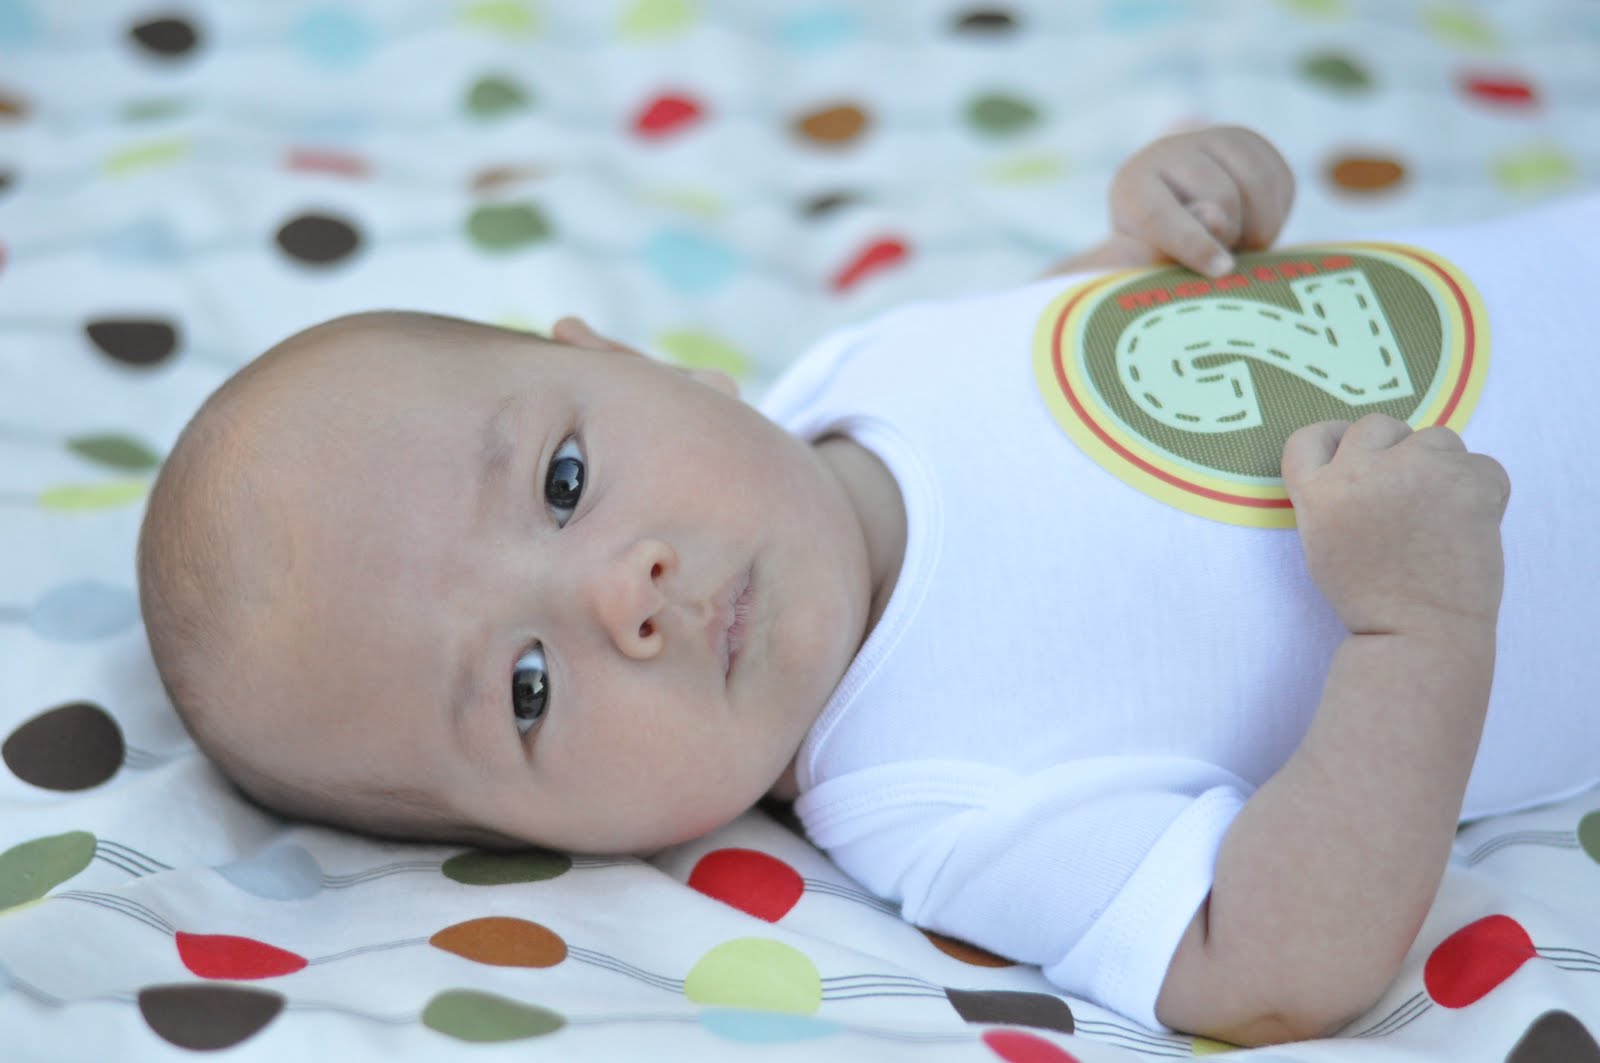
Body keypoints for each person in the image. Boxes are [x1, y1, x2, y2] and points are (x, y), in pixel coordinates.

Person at [135, 124, 1600, 1047]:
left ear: (625, 358)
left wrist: (1166, 230)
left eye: (565, 481)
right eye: (526, 690)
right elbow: (1274, 961)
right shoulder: (932, 796)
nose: (622, 597)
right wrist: (1417, 622)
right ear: (546, 840)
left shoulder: (856, 371)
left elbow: (1061, 357)